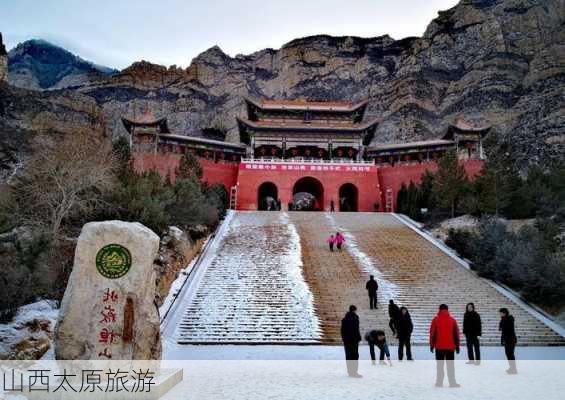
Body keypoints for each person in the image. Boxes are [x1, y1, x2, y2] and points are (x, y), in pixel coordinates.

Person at [429, 304, 461, 388]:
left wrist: (432, 345)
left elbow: (432, 333)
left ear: (439, 309)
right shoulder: (452, 320)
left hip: (439, 347)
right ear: (447, 310)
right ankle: (452, 382)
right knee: (450, 365)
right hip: (450, 347)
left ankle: (439, 382)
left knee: (440, 365)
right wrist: (457, 346)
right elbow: (456, 334)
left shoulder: (435, 320)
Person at [341, 305, 362, 378]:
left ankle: (350, 371)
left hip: (347, 340)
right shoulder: (355, 318)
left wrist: (344, 339)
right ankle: (354, 372)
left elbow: (342, 331)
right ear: (354, 310)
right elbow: (356, 329)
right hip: (354, 340)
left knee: (348, 355)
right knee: (355, 355)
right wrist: (359, 338)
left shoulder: (344, 319)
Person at [499, 308, 517, 374]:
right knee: (508, 354)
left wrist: (502, 323)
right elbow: (501, 329)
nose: (500, 314)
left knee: (510, 354)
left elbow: (507, 329)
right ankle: (511, 368)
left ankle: (514, 369)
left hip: (511, 339)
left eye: (501, 313)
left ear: (504, 313)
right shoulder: (503, 319)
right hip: (506, 339)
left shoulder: (509, 319)